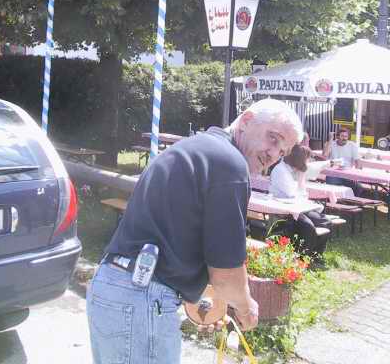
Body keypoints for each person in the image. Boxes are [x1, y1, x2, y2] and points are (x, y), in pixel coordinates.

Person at [86, 98, 303, 364]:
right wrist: (246, 308)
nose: (273, 154)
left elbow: (176, 237)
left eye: (282, 151)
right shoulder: (230, 164)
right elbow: (226, 275)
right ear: (246, 121)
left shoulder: (195, 147)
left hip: (114, 287)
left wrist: (204, 301)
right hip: (140, 298)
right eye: (273, 138)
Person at [269, 144, 331, 257]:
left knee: (325, 221)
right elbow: (294, 195)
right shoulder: (281, 171)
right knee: (308, 226)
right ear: (299, 160)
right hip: (285, 208)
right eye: (307, 160)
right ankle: (302, 257)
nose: (308, 162)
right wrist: (302, 177)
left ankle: (316, 255)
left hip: (298, 207)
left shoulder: (293, 170)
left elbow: (301, 196)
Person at [322, 127, 362, 195]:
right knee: (332, 190)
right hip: (333, 174)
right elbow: (325, 155)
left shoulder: (352, 145)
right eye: (342, 136)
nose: (344, 138)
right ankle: (334, 200)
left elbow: (358, 162)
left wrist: (356, 176)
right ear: (337, 137)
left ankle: (350, 201)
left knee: (359, 188)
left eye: (346, 136)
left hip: (348, 175)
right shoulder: (331, 144)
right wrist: (330, 139)